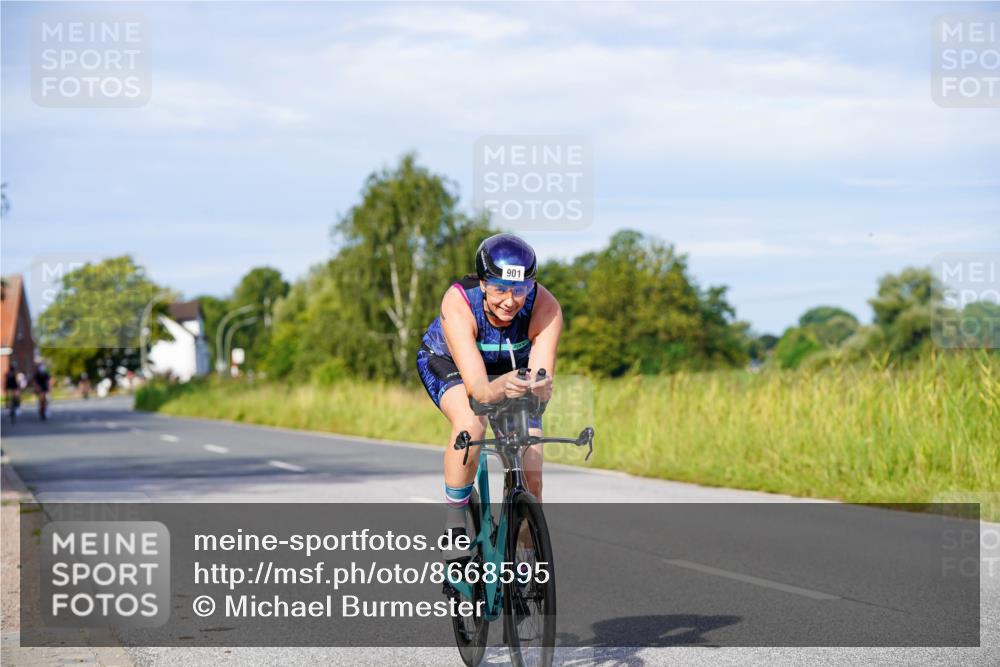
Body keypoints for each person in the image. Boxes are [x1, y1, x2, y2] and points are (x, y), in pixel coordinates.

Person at [416, 233, 563, 564]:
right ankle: (455, 525)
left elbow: (540, 381)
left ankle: (525, 559)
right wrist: (501, 388)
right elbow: (479, 391)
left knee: (532, 471)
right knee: (472, 422)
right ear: (482, 283)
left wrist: (539, 389)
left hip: (511, 373)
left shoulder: (546, 308)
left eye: (520, 290)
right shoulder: (458, 303)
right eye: (499, 289)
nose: (510, 301)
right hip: (450, 363)